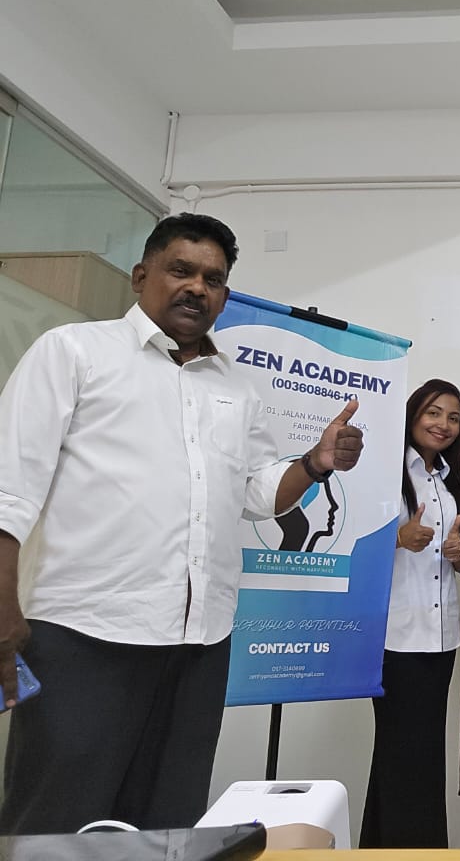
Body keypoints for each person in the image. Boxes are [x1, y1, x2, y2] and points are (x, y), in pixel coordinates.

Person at [0, 213, 364, 834]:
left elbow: (258, 495)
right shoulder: (74, 352)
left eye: (213, 279)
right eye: (181, 270)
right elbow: (9, 490)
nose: (197, 288)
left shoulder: (237, 387)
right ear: (141, 276)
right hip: (85, 638)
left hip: (199, 646)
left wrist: (314, 463)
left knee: (169, 826)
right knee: (55, 827)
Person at [360, 379, 460, 848]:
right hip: (396, 637)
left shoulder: (449, 482)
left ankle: (381, 849)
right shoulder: (384, 472)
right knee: (403, 755)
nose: (443, 424)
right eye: (433, 412)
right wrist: (397, 538)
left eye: (453, 417)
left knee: (420, 756)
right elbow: (351, 543)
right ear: (412, 417)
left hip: (440, 638)